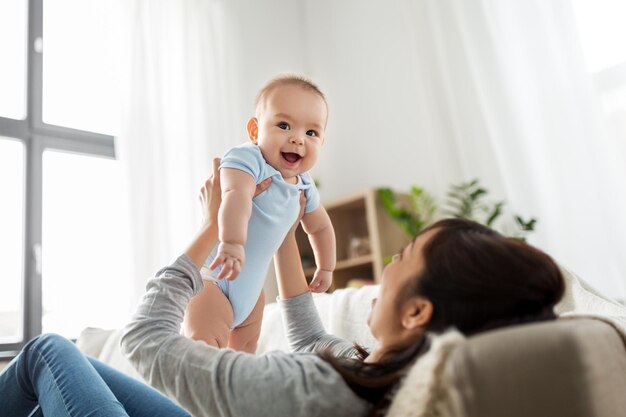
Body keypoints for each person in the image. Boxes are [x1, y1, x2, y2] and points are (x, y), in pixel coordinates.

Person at [0, 158, 565, 417]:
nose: (386, 264)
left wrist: (209, 229)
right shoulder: (375, 375)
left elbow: (148, 340)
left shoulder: (313, 388)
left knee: (49, 352)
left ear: (417, 311)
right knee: (65, 383)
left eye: (404, 256)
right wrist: (277, 231)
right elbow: (304, 329)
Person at [185, 73, 336, 353]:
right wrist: (231, 243)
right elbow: (235, 197)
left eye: (311, 132)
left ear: (322, 142)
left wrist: (326, 266)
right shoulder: (247, 159)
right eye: (284, 125)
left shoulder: (304, 183)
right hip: (213, 280)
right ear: (255, 131)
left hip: (251, 296)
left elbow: (320, 227)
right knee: (204, 355)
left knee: (243, 363)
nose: (297, 139)